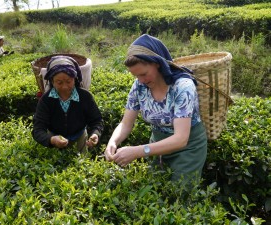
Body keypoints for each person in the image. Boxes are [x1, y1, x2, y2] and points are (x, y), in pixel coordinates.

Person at [104, 34, 207, 183]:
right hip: (156, 146)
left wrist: (137, 151)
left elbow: (180, 139)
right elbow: (126, 123)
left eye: (144, 74)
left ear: (157, 63)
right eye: (136, 76)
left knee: (180, 195)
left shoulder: (183, 87)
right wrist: (112, 142)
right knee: (157, 193)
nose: (141, 80)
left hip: (187, 149)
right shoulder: (139, 86)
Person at [32, 55, 103, 152]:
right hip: (54, 143)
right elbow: (38, 129)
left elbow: (97, 120)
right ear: (52, 81)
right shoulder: (46, 100)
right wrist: (51, 140)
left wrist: (95, 134)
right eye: (59, 82)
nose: (65, 87)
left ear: (75, 79)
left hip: (80, 139)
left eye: (68, 81)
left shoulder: (85, 96)